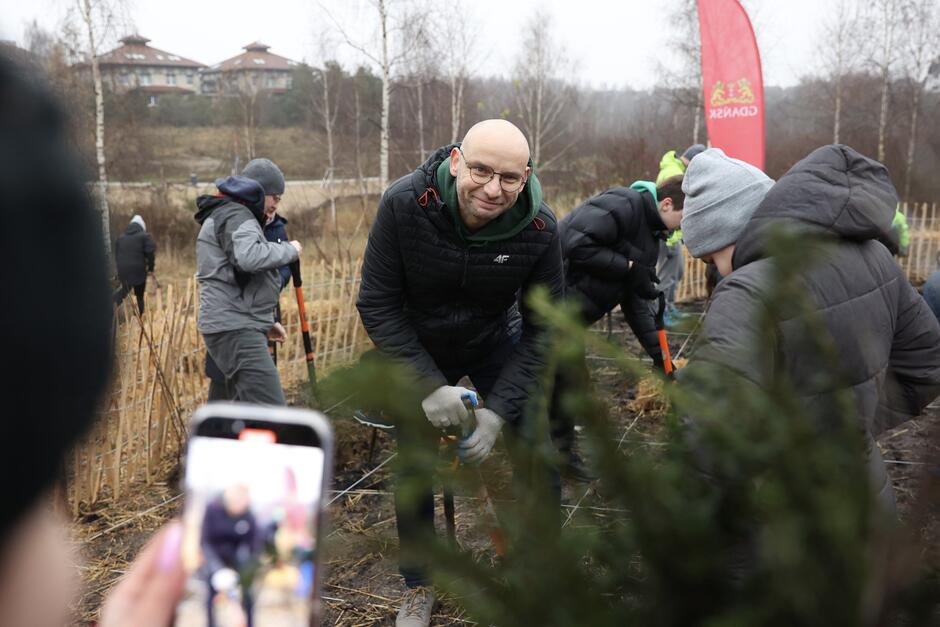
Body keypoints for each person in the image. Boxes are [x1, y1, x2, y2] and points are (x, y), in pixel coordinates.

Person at [0, 53, 185, 627]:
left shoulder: (130, 237)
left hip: (120, 283)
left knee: (125, 302)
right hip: (130, 285)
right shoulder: (140, 239)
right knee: (132, 303)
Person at [356, 119, 564, 627]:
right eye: (481, 170)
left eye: (510, 178)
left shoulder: (539, 228)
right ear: (455, 162)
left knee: (537, 445)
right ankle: (418, 583)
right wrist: (428, 387)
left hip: (494, 336)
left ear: (527, 177)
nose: (494, 189)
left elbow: (544, 330)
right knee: (415, 463)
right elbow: (378, 304)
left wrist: (497, 414)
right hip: (417, 340)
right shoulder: (405, 204)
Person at [679, 145, 940, 516]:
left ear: (732, 230)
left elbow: (708, 444)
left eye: (712, 258)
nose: (718, 271)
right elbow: (926, 367)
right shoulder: (875, 256)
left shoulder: (747, 290)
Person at [553, 175, 685, 480]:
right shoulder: (623, 204)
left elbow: (636, 302)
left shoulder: (651, 242)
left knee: (568, 382)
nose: (682, 226)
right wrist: (628, 268)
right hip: (546, 305)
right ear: (666, 204)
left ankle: (559, 454)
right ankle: (549, 455)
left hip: (573, 319)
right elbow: (576, 244)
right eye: (684, 215)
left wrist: (660, 359)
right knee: (561, 381)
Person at [195, 158, 302, 406]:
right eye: (274, 195)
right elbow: (249, 258)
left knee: (230, 411)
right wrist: (291, 249)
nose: (277, 202)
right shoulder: (236, 214)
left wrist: (264, 322)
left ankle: (213, 443)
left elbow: (239, 278)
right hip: (236, 329)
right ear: (258, 191)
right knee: (271, 410)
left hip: (237, 325)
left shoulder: (234, 213)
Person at [655, 144, 705, 326]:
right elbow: (671, 208)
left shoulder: (675, 169)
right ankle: (661, 313)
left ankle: (669, 307)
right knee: (667, 276)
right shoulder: (673, 173)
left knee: (677, 272)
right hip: (668, 237)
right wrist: (672, 237)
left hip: (673, 236)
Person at [113, 213, 156, 314]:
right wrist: (150, 269)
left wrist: (120, 270)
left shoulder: (121, 238)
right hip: (139, 271)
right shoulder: (144, 236)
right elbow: (150, 253)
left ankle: (110, 305)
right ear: (142, 226)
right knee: (139, 295)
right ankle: (139, 317)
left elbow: (117, 255)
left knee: (124, 291)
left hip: (123, 270)